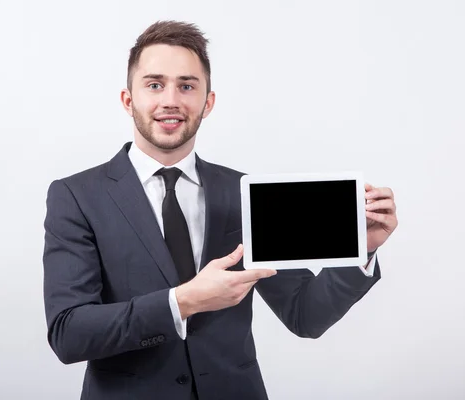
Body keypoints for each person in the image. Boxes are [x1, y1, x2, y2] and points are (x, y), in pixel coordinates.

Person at [42, 20, 398, 400]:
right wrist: (183, 301)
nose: (171, 100)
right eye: (154, 84)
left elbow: (305, 314)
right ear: (129, 100)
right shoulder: (77, 196)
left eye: (187, 85)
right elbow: (70, 333)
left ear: (207, 102)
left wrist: (364, 247)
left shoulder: (245, 193)